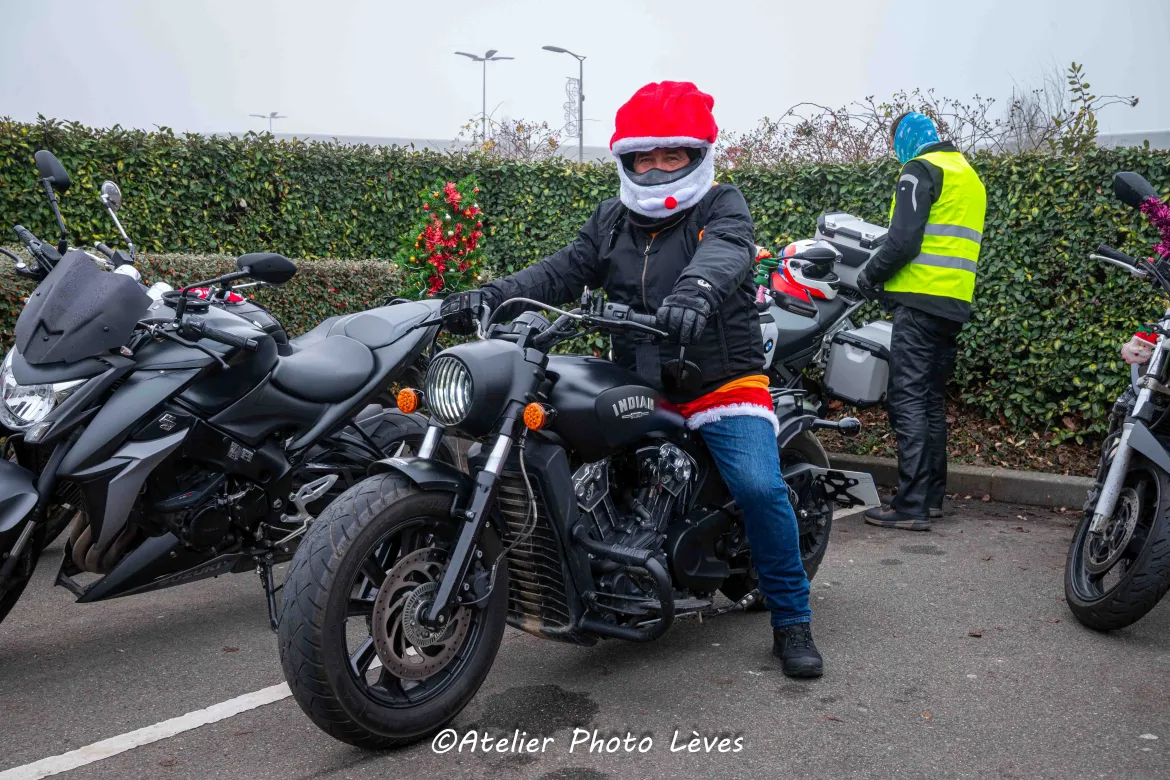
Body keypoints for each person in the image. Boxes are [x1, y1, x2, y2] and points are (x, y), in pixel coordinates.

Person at [439, 81, 823, 678]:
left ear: (696, 155)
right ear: (627, 160)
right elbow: (562, 270)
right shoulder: (611, 219)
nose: (657, 167)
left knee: (758, 487)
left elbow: (726, 251)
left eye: (672, 155)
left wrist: (696, 292)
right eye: (645, 157)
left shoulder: (721, 204)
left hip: (721, 383)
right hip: (640, 376)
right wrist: (491, 294)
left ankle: (792, 619)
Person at [857, 112, 987, 531]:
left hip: (919, 302)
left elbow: (903, 241)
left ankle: (910, 504)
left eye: (895, 143)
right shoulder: (968, 175)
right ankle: (930, 499)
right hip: (953, 304)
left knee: (908, 399)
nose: (896, 152)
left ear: (905, 139)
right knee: (930, 400)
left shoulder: (920, 169)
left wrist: (870, 275)